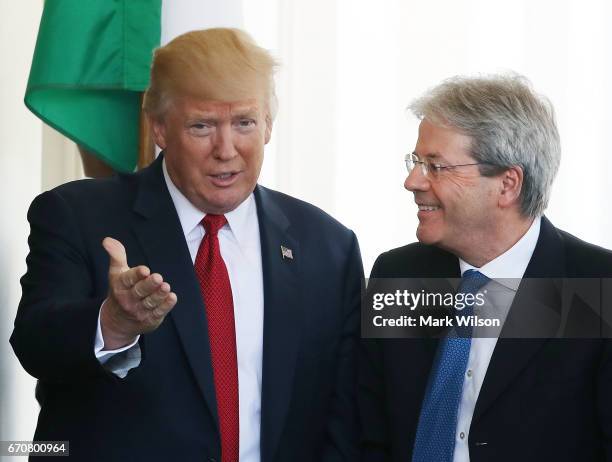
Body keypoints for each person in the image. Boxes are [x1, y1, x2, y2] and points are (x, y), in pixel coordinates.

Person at [11, 28, 363, 462]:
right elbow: (35, 344)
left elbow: (344, 417)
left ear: (269, 125)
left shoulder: (328, 246)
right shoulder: (78, 215)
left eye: (244, 123)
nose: (226, 150)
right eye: (202, 126)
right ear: (159, 127)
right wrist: (114, 323)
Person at [359, 74, 612, 462]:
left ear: (508, 184)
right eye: (416, 162)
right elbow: (367, 432)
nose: (412, 181)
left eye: (435, 166)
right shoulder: (399, 274)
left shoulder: (597, 288)